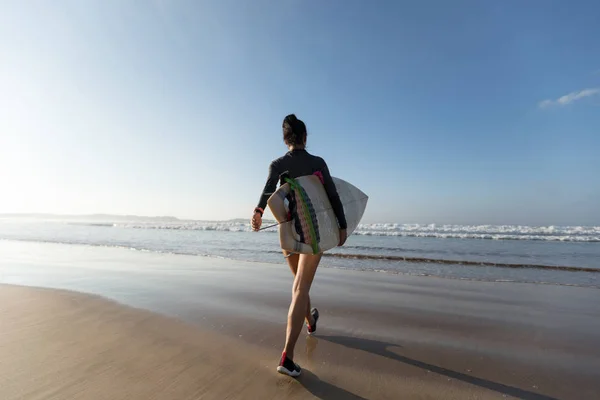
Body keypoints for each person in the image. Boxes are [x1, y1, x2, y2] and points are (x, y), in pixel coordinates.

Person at [251, 114, 348, 377]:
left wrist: (258, 212)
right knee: (300, 288)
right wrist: (341, 225)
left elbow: (268, 193)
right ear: (305, 137)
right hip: (311, 234)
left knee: (298, 285)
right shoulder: (317, 162)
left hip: (287, 232)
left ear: (285, 139)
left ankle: (309, 320)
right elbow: (332, 195)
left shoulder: (278, 164)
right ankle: (287, 357)